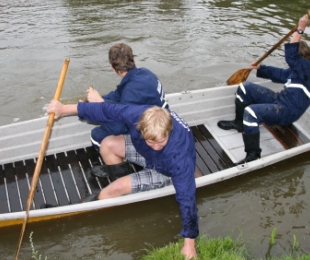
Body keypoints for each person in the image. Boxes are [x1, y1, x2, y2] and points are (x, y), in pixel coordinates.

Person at [47, 101, 198, 259]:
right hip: (148, 157)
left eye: (161, 142)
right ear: (140, 126)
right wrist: (63, 109)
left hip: (167, 169)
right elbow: (105, 109)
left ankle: (86, 207)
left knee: (115, 188)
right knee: (107, 144)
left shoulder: (180, 159)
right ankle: (127, 190)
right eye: (150, 141)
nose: (156, 146)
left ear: (169, 130)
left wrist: (189, 244)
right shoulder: (136, 114)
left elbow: (187, 200)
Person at [217, 13, 310, 165]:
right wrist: (260, 68)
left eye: (294, 60)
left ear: (301, 59)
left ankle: (253, 154)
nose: (291, 63)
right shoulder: (298, 70)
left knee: (251, 112)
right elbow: (280, 74)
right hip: (280, 100)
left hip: (288, 112)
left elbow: (290, 56)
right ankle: (240, 124)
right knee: (245, 88)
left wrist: (300, 29)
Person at [86, 43, 168, 151]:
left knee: (96, 135)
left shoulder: (131, 91)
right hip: (164, 122)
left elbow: (119, 127)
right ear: (133, 60)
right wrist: (91, 101)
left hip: (152, 134)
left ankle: (127, 161)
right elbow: (117, 95)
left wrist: (100, 103)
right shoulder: (145, 73)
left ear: (112, 67)